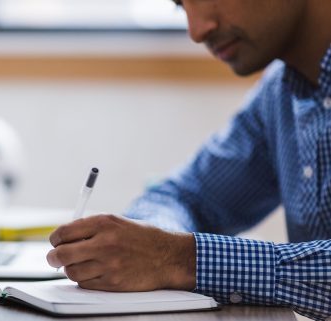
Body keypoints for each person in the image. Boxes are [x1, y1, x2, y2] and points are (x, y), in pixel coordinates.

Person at [45, 1, 331, 320]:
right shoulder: (281, 93)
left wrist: (179, 259)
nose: (196, 31)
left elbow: (176, 253)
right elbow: (185, 196)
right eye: (181, 6)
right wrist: (148, 246)